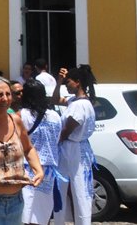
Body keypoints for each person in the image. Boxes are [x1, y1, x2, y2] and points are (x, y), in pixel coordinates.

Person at [0, 77, 42, 225]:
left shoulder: (16, 121)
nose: (5, 98)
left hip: (17, 201)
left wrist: (38, 170)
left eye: (8, 94)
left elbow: (28, 148)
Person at [52, 65, 97, 225]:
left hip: (72, 147)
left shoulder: (79, 105)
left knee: (79, 189)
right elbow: (55, 99)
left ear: (77, 82)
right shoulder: (75, 101)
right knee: (70, 187)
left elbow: (66, 130)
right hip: (75, 147)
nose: (66, 85)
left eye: (68, 82)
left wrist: (54, 143)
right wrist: (58, 82)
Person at [19, 80, 62, 225]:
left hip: (28, 168)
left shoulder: (23, 115)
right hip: (49, 170)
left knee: (26, 212)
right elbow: (57, 138)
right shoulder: (55, 116)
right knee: (42, 214)